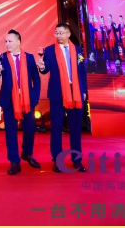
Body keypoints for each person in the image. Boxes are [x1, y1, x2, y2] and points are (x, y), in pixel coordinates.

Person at [38, 23, 88, 173]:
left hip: (75, 92)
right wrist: (41, 66)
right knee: (56, 127)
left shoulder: (78, 50)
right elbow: (45, 68)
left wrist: (84, 90)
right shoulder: (49, 50)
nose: (58, 35)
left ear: (68, 34)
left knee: (75, 128)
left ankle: (77, 160)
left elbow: (82, 71)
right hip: (57, 94)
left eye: (61, 33)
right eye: (56, 33)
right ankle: (57, 160)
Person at [0, 29, 41, 175]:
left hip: (27, 100)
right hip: (9, 100)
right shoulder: (1, 58)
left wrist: (35, 96)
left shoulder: (29, 58)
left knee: (30, 129)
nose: (7, 44)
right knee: (10, 131)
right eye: (6, 41)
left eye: (10, 41)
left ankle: (27, 153)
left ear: (18, 42)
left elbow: (36, 78)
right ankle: (14, 161)